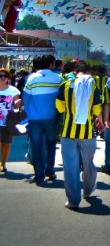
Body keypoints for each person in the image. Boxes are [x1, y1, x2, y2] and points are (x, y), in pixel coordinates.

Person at [56, 61, 103, 209]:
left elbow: (59, 107)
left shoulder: (65, 85)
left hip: (68, 132)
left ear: (76, 71)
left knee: (70, 167)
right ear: (88, 72)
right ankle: (88, 191)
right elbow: (96, 110)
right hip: (87, 133)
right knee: (88, 163)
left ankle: (73, 201)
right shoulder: (93, 85)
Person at [21, 54, 61, 182]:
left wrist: (28, 112)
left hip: (35, 118)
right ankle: (50, 170)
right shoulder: (58, 79)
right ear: (51, 64)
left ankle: (39, 175)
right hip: (52, 117)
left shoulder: (32, 78)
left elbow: (26, 98)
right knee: (50, 145)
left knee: (36, 146)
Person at [0, 68, 22, 174]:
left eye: (5, 76)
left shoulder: (13, 90)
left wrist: (18, 102)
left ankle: (3, 164)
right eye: (0, 76)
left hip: (8, 121)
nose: (2, 78)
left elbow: (16, 105)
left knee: (6, 143)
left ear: (8, 77)